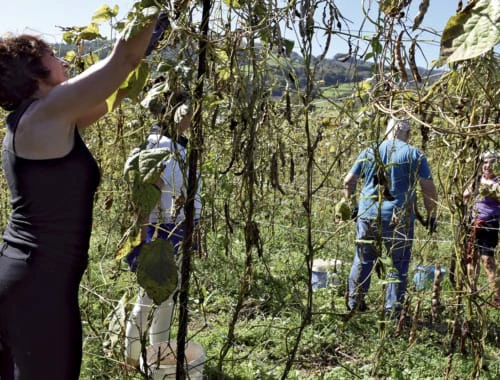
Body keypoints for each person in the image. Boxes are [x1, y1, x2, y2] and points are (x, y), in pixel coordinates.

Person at [0, 9, 169, 379]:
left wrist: (142, 58)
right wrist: (151, 12)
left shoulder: (40, 119)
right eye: (51, 57)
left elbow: (110, 96)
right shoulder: (46, 113)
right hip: (38, 286)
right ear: (34, 72)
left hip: (28, 276)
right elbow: (121, 59)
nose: (63, 60)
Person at [124, 92, 201, 369]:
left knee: (166, 298)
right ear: (174, 111)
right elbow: (146, 196)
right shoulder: (158, 145)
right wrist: (143, 241)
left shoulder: (180, 145)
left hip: (177, 229)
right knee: (149, 299)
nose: (194, 116)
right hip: (160, 231)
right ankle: (131, 361)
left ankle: (155, 360)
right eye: (190, 109)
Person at [342, 117, 438, 317]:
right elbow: (428, 189)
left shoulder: (369, 151)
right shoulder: (414, 154)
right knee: (398, 263)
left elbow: (348, 181)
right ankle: (393, 312)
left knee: (362, 259)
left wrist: (352, 205)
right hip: (399, 218)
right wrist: (432, 215)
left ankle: (355, 303)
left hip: (367, 215)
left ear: (387, 131)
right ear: (408, 133)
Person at [463, 150, 500, 307]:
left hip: (490, 223)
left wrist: (491, 190)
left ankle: (497, 298)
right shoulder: (476, 180)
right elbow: (466, 195)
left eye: (492, 162)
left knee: (487, 260)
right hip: (474, 223)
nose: (488, 166)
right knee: (472, 259)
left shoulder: (498, 181)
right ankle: (472, 293)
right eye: (485, 162)